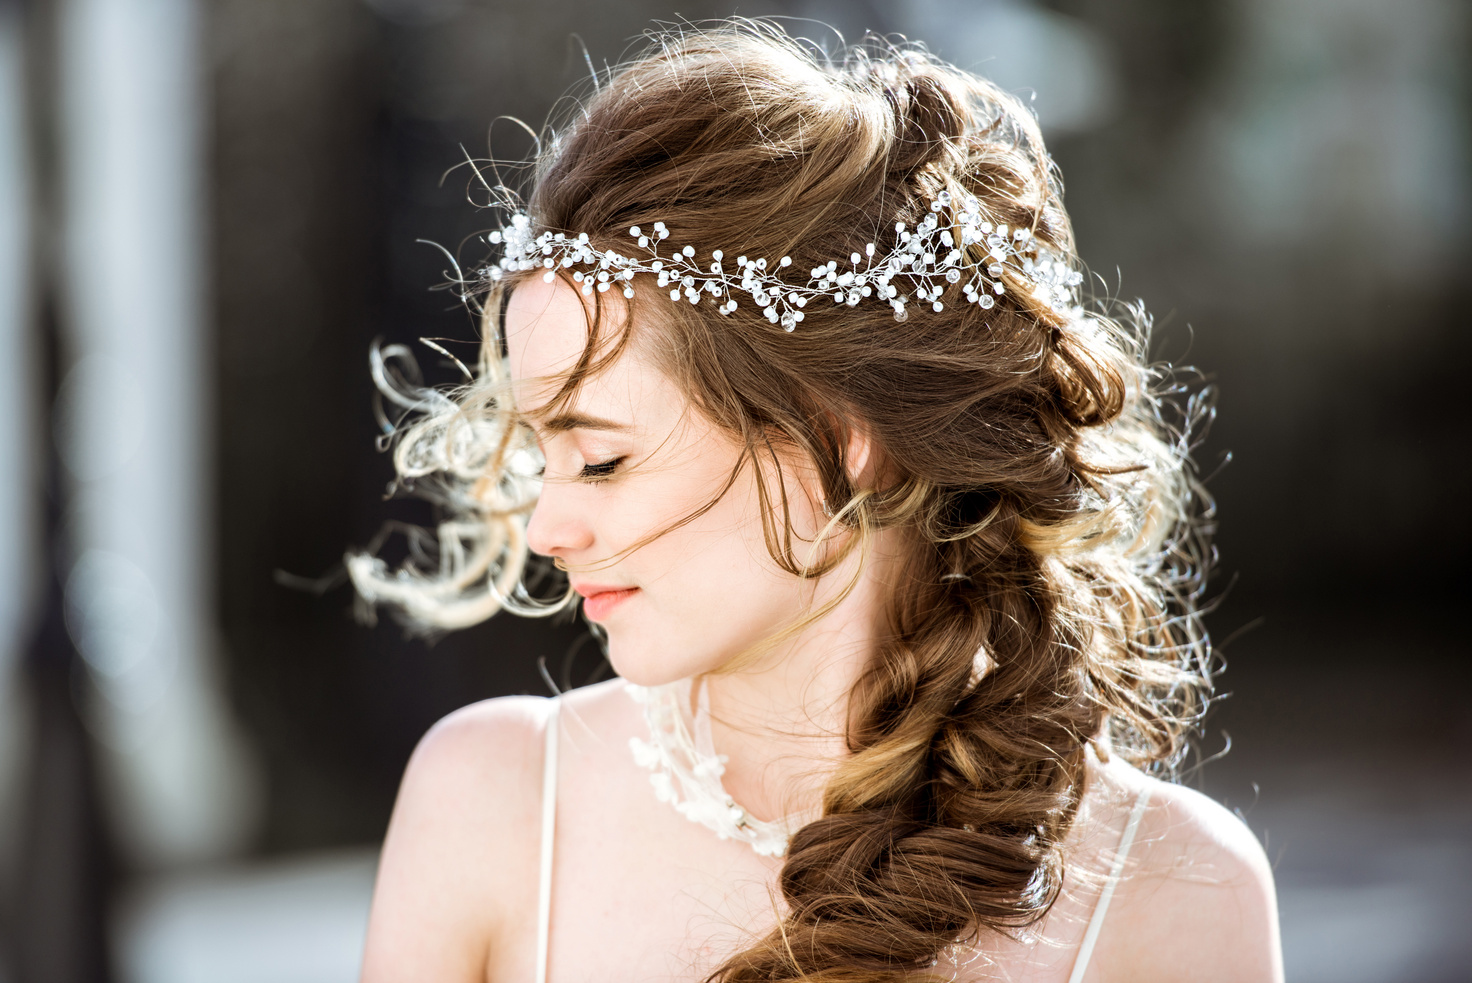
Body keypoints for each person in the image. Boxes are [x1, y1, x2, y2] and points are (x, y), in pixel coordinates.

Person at [349, 20, 1282, 983]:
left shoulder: (1174, 897)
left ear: (840, 440)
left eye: (601, 459)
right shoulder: (493, 808)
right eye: (540, 456)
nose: (547, 528)